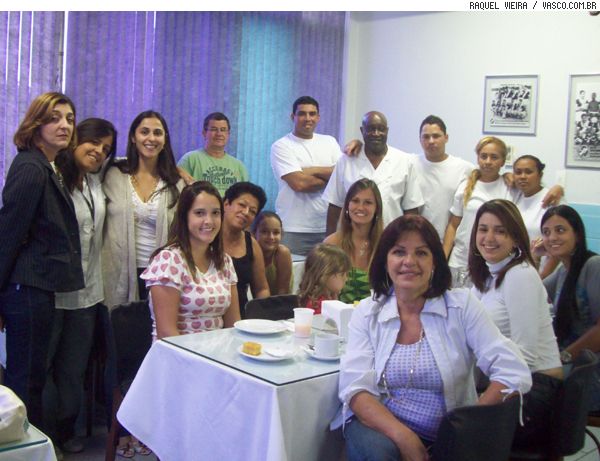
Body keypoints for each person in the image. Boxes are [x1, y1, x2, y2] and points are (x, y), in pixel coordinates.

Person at [335, 215, 531, 461]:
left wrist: (469, 423)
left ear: (435, 262)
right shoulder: (368, 311)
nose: (409, 262)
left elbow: (513, 369)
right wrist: (405, 438)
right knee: (376, 453)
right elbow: (355, 388)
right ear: (385, 261)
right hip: (386, 430)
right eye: (399, 252)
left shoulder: (461, 306)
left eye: (421, 253)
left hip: (450, 438)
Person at [0, 92, 84, 432]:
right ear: (36, 125)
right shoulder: (31, 167)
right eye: (54, 118)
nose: (65, 125)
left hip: (36, 286)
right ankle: (21, 445)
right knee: (26, 378)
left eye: (69, 119)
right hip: (26, 287)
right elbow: (7, 234)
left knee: (32, 374)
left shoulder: (47, 165)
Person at [469, 199, 562, 445]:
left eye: (500, 231)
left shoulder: (520, 275)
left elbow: (524, 357)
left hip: (534, 388)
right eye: (483, 229)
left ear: (515, 237)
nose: (489, 238)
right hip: (510, 381)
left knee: (455, 428)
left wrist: (480, 403)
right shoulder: (487, 276)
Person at [49, 118, 116, 453]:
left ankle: (63, 431)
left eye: (106, 148)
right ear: (77, 138)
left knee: (73, 369)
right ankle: (40, 434)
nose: (99, 151)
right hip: (50, 292)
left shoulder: (96, 180)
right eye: (94, 142)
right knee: (42, 367)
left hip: (88, 293)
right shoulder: (52, 177)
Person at [102, 110, 185, 310]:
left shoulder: (176, 183)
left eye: (158, 133)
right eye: (144, 132)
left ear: (165, 139)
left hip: (163, 274)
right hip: (116, 272)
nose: (151, 138)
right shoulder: (111, 174)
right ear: (133, 137)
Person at [142, 181, 240, 339]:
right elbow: (167, 334)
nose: (209, 221)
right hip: (177, 351)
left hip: (217, 349)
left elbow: (233, 325)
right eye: (199, 213)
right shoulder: (168, 260)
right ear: (184, 216)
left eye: (215, 213)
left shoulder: (225, 261)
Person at [323, 111, 423, 234]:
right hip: (353, 237)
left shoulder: (404, 161)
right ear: (362, 130)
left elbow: (411, 210)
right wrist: (329, 242)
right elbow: (335, 206)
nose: (376, 133)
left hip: (391, 237)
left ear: (387, 131)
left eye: (381, 129)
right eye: (371, 129)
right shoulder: (346, 161)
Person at [541, 205, 600, 411]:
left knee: (534, 386)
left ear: (577, 234)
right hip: (573, 363)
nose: (552, 237)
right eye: (546, 232)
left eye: (560, 230)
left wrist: (563, 357)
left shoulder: (593, 265)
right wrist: (536, 255)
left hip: (589, 369)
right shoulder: (563, 272)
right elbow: (531, 291)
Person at [270, 96, 342, 255]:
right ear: (293, 117)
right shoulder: (281, 146)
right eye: (302, 113)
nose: (308, 118)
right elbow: (300, 184)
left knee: (326, 271)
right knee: (292, 271)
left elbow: (341, 176)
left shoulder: (330, 142)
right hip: (293, 228)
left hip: (327, 227)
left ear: (318, 117)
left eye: (312, 114)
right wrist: (330, 176)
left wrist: (311, 170)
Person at [443, 136, 515, 288]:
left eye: (494, 157)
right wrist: (443, 257)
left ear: (503, 161)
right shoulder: (465, 186)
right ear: (478, 158)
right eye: (483, 156)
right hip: (462, 261)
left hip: (495, 262)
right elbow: (453, 225)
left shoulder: (510, 188)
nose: (488, 161)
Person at [324, 179, 383, 304]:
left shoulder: (387, 244)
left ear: (377, 209)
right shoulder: (331, 244)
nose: (360, 207)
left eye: (368, 202)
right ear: (347, 206)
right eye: (355, 201)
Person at [222, 182, 270, 316]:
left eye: (253, 211)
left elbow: (261, 289)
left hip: (243, 317)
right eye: (242, 205)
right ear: (226, 204)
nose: (246, 212)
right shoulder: (206, 237)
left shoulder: (252, 244)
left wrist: (262, 316)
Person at [177, 112, 249, 196]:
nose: (219, 134)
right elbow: (178, 191)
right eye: (214, 129)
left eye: (223, 130)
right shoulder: (190, 159)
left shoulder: (239, 166)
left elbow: (245, 196)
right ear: (204, 133)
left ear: (228, 134)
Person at [513, 154, 560, 278]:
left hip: (545, 274)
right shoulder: (515, 197)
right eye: (518, 172)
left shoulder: (552, 200)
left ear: (540, 175)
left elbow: (560, 247)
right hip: (520, 271)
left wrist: (542, 277)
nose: (523, 176)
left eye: (528, 172)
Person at [297, 244, 351, 315]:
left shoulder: (329, 297)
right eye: (343, 274)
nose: (346, 279)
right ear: (325, 275)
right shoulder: (318, 305)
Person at [252, 211, 293, 295]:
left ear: (282, 234)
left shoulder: (282, 253)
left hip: (279, 300)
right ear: (254, 233)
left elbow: (283, 291)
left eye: (276, 233)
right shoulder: (250, 253)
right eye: (264, 232)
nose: (271, 237)